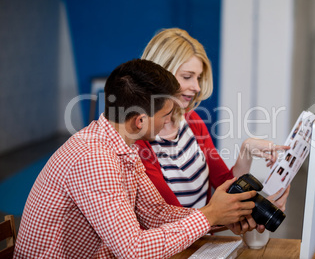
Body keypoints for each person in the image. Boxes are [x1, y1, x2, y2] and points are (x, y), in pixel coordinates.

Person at [14, 59, 258, 258]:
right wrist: (209, 216)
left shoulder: (122, 146)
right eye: (166, 114)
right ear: (139, 121)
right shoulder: (95, 159)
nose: (169, 121)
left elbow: (155, 213)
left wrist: (222, 216)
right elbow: (134, 249)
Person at [136, 28, 291, 235]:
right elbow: (168, 216)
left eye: (198, 78)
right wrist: (229, 218)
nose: (196, 87)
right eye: (188, 76)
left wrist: (247, 150)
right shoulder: (139, 141)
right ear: (159, 75)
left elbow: (225, 184)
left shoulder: (192, 121)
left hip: (199, 241)